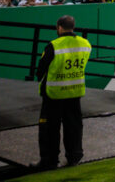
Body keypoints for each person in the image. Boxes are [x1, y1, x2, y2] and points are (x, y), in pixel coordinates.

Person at [33, 15, 90, 171]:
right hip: (75, 91)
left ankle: (49, 160)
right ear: (73, 27)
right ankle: (74, 156)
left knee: (50, 128)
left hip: (54, 93)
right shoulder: (85, 43)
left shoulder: (53, 46)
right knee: (74, 126)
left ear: (59, 27)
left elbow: (41, 69)